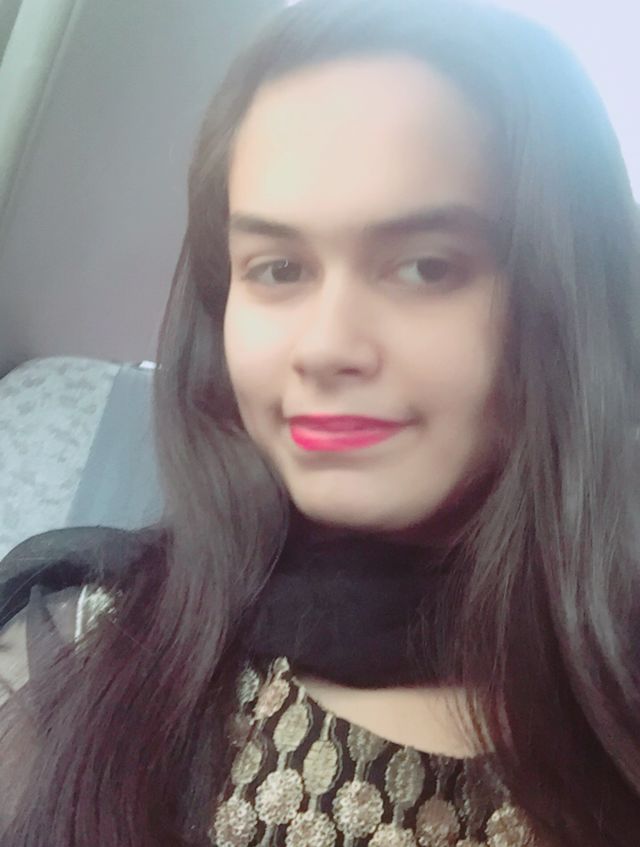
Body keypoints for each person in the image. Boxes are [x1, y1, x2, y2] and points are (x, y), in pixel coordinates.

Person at [0, 0, 639, 844]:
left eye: (425, 267)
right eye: (278, 268)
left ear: (568, 305)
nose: (327, 346)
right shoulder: (71, 651)